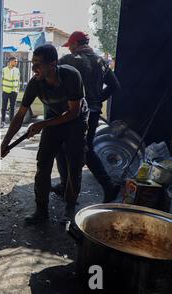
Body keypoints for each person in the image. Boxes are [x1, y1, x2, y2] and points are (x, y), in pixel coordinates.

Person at [0, 44, 89, 224]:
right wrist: (5, 143)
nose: (34, 68)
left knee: (74, 165)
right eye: (33, 63)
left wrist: (42, 124)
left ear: (53, 64)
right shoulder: (35, 83)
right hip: (53, 120)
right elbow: (19, 115)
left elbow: (73, 112)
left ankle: (70, 209)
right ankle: (41, 211)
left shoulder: (71, 76)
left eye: (38, 64)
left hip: (75, 122)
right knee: (43, 164)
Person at [52, 31, 121, 203]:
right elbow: (115, 85)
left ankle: (103, 186)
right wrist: (98, 99)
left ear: (75, 44)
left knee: (66, 147)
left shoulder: (69, 60)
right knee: (84, 148)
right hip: (94, 111)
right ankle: (70, 186)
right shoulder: (100, 61)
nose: (70, 50)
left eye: (70, 46)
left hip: (74, 112)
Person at [1, 57, 20, 125]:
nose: (16, 62)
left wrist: (17, 90)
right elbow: (1, 80)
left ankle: (12, 122)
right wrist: (2, 89)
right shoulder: (4, 70)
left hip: (14, 92)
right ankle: (3, 121)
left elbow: (18, 81)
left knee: (12, 107)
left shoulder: (17, 70)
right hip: (5, 91)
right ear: (10, 62)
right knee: (4, 107)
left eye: (16, 61)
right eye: (15, 61)